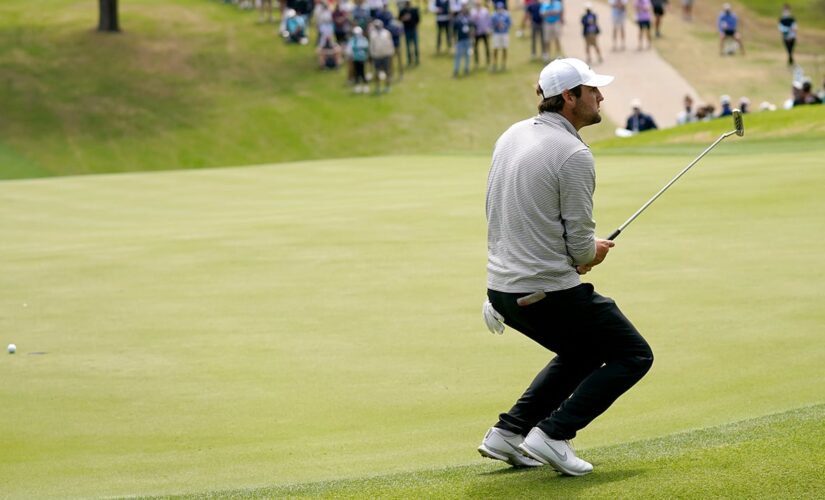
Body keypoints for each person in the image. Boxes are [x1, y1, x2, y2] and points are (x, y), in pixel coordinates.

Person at [478, 57, 654, 476]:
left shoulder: (512, 134)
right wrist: (592, 253)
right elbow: (580, 251)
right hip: (544, 290)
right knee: (633, 354)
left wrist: (574, 253)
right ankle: (553, 435)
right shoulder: (574, 153)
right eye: (592, 91)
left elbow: (503, 213)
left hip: (500, 289)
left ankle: (508, 433)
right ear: (569, 98)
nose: (601, 97)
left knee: (582, 352)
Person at [369, 19, 395, 93]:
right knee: (377, 72)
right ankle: (378, 88)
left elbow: (390, 43)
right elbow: (371, 46)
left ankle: (387, 87)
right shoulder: (373, 34)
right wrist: (372, 55)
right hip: (377, 56)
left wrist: (391, 53)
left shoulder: (386, 33)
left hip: (386, 55)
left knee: (387, 72)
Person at [453, 2, 473, 77]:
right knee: (458, 56)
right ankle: (456, 71)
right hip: (460, 39)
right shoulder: (458, 18)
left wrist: (472, 34)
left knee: (467, 55)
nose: (464, 9)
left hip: (467, 39)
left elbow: (472, 26)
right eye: (463, 7)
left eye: (465, 7)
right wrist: (454, 39)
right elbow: (454, 29)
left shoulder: (469, 17)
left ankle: (466, 69)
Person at [471, 0, 493, 68]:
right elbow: (471, 22)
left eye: (479, 4)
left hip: (484, 32)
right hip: (477, 32)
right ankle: (476, 61)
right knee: (475, 47)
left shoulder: (485, 11)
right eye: (476, 4)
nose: (478, 5)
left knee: (486, 46)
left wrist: (489, 29)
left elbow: (489, 20)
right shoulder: (473, 12)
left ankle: (488, 60)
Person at [399, 0, 421, 66]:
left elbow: (418, 20)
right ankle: (409, 60)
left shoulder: (414, 10)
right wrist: (404, 18)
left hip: (413, 30)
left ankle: (417, 59)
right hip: (407, 30)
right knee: (408, 46)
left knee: (416, 45)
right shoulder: (403, 11)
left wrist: (416, 27)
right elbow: (399, 19)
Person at [349, 25, 370, 93]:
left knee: (362, 72)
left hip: (362, 59)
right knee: (356, 73)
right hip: (355, 59)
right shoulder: (353, 40)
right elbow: (351, 47)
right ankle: (357, 86)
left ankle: (365, 86)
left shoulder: (363, 39)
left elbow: (366, 47)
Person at [491, 2, 511, 71]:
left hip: (504, 33)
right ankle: (494, 64)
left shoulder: (506, 14)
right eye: (498, 8)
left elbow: (509, 24)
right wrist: (497, 25)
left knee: (504, 49)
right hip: (497, 34)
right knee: (495, 49)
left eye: (501, 8)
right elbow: (491, 25)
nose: (500, 9)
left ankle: (503, 64)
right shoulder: (494, 15)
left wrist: (504, 25)